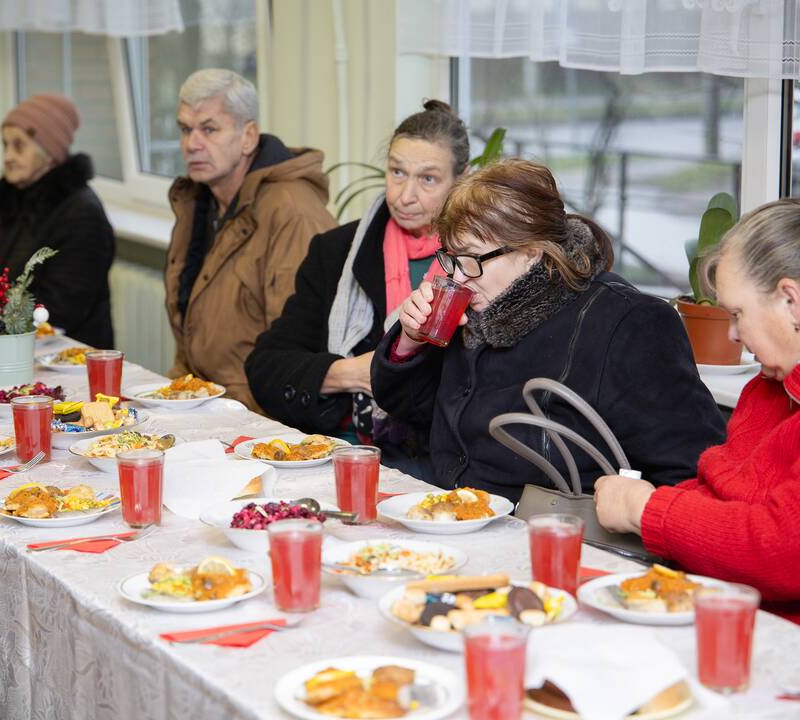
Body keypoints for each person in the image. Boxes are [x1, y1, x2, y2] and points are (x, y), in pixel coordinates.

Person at [372, 158, 726, 501]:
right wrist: (409, 342)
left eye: (471, 259)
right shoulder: (478, 301)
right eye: (451, 258)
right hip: (456, 513)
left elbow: (690, 468)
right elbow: (414, 412)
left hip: (560, 533)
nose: (457, 276)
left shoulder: (629, 323)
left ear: (532, 253)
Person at [595, 199, 800, 620]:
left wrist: (645, 509)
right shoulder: (767, 390)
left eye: (739, 314)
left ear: (790, 301)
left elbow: (783, 550)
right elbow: (722, 495)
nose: (734, 334)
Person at [246, 101, 468, 478]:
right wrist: (352, 373)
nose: (405, 195)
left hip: (437, 466)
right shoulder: (338, 252)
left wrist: (387, 378)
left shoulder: (476, 267)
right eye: (397, 172)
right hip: (338, 451)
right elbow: (266, 366)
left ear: (460, 183)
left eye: (428, 179)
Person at [165, 69, 335, 410]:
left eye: (209, 129)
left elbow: (294, 353)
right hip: (199, 400)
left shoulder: (292, 212)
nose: (192, 144)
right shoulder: (198, 201)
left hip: (258, 417)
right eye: (186, 129)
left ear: (248, 137)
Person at [0, 94, 114, 348]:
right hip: (9, 340)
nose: (7, 157)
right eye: (5, 145)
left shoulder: (82, 213)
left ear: (49, 152)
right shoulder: (9, 201)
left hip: (68, 353)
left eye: (19, 146)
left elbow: (61, 307)